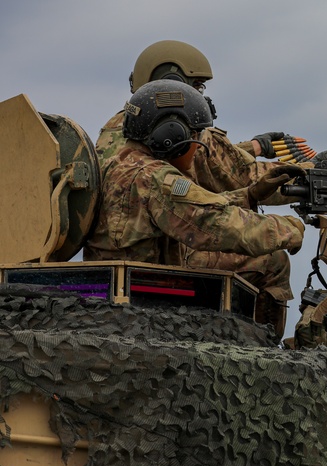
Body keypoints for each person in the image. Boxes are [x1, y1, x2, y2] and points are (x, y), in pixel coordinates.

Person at [95, 40, 312, 328]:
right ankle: (264, 352)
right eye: (193, 135)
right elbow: (214, 223)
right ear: (171, 135)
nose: (198, 144)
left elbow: (198, 208)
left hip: (134, 272)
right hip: (150, 289)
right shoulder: (155, 178)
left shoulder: (126, 148)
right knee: (273, 262)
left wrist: (248, 196)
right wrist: (290, 229)